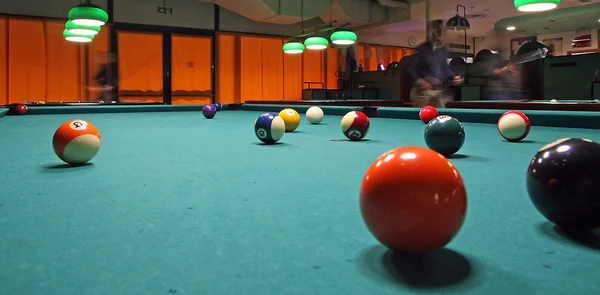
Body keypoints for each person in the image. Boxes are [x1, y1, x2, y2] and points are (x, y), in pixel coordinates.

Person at [409, 19, 464, 108]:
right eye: (443, 31)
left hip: (438, 92)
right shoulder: (423, 49)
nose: (445, 33)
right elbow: (413, 69)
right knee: (422, 118)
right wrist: (422, 81)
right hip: (422, 93)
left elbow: (444, 68)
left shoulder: (443, 50)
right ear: (435, 32)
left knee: (441, 116)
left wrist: (453, 77)